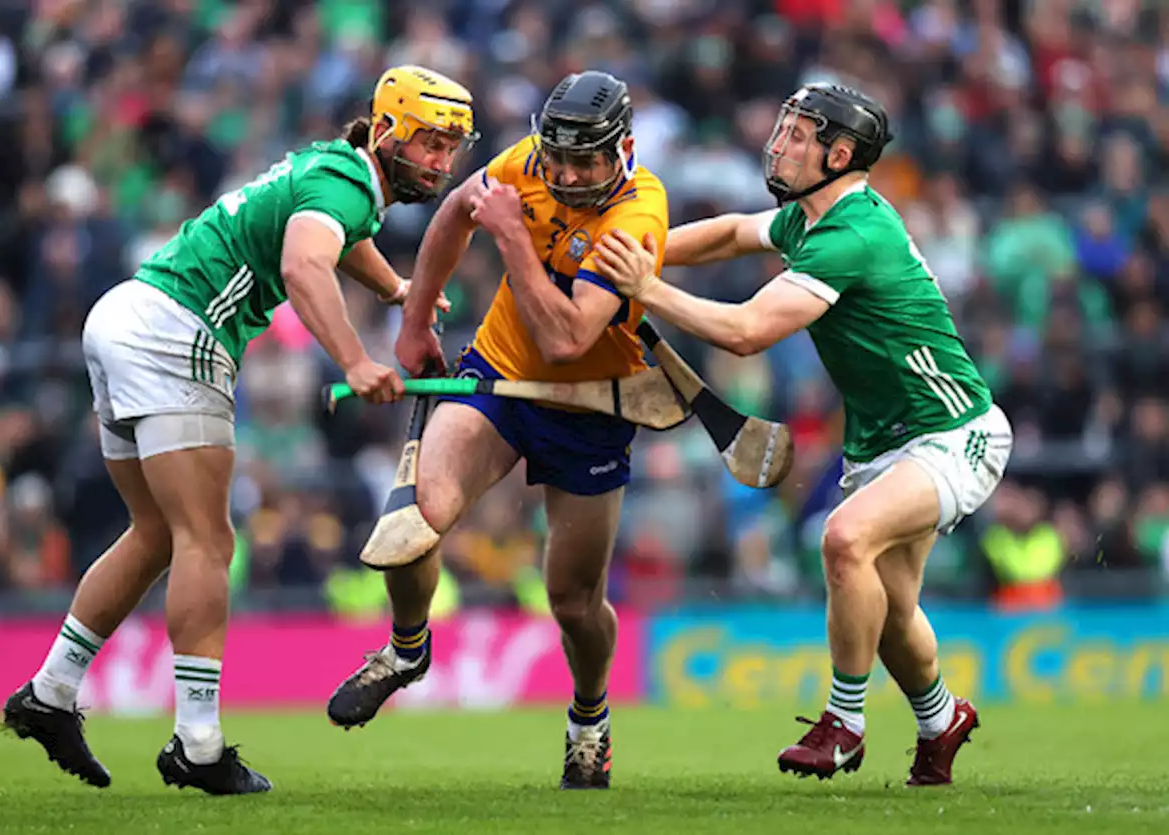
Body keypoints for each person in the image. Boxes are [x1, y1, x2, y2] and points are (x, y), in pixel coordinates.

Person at [0, 65, 478, 795]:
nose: (442, 164)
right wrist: (354, 358)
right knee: (208, 539)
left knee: (155, 534)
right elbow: (303, 263)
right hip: (177, 333)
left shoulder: (337, 173)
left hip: (128, 315)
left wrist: (395, 287)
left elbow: (332, 239)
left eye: (452, 147)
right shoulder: (344, 185)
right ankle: (196, 742)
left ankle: (51, 691)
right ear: (384, 133)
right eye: (429, 144)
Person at [590, 83, 1012, 786]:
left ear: (838, 154)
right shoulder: (807, 220)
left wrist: (646, 288)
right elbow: (728, 233)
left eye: (797, 133)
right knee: (893, 606)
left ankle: (844, 723)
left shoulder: (854, 234)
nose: (778, 141)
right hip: (880, 442)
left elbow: (750, 331)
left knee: (843, 538)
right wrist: (630, 252)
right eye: (783, 126)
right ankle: (941, 720)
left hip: (954, 431)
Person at [325, 70, 668, 791]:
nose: (568, 176)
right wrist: (414, 323)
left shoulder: (637, 217)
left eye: (587, 162)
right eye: (558, 159)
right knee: (415, 518)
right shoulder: (526, 163)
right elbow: (454, 211)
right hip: (498, 379)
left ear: (625, 148)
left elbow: (570, 338)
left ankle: (589, 719)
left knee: (573, 602)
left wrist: (511, 234)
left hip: (589, 410)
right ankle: (408, 647)